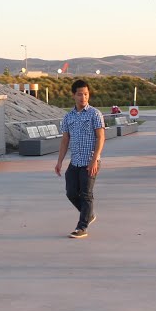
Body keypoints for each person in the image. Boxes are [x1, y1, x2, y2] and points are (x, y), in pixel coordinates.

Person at [54, 79, 106, 239]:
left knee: (86, 194)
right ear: (73, 95)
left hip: (90, 161)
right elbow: (65, 140)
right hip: (74, 162)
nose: (83, 97)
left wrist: (95, 159)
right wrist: (60, 161)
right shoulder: (68, 117)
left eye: (86, 94)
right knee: (71, 193)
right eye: (79, 94)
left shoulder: (94, 114)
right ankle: (88, 214)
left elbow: (100, 137)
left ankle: (82, 227)